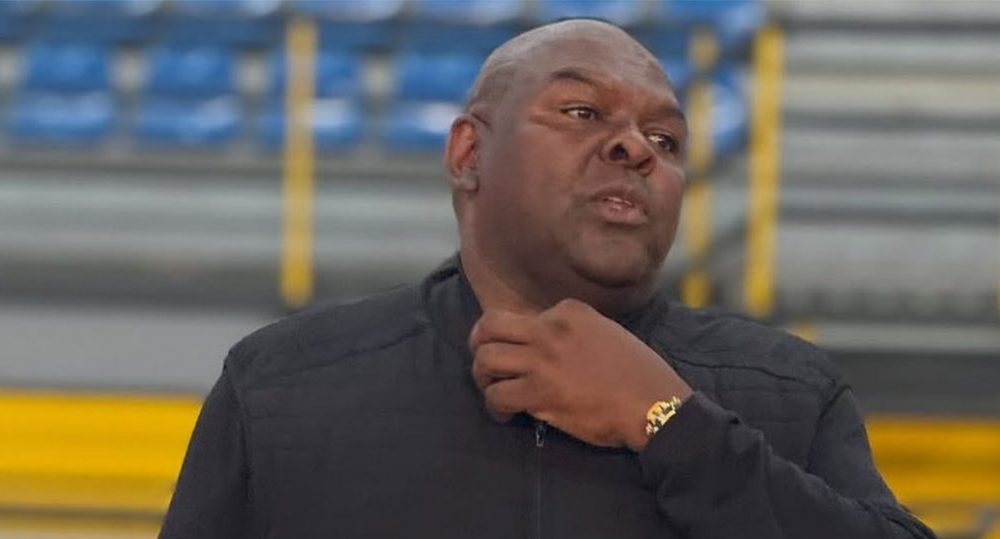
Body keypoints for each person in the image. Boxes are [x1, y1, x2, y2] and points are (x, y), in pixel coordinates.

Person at [160, 19, 935, 539]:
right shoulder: (284, 388)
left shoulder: (789, 392)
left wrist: (668, 421)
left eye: (665, 138)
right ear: (468, 154)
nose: (635, 147)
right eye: (582, 112)